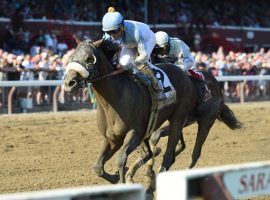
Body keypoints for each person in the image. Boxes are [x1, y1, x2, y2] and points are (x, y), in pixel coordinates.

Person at [102, 7, 166, 100]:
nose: (111, 35)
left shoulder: (135, 32)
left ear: (121, 28)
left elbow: (143, 55)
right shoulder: (110, 32)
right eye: (108, 32)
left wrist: (132, 64)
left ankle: (159, 90)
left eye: (113, 32)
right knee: (123, 63)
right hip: (129, 44)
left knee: (141, 65)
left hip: (147, 40)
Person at [154, 31, 211, 102]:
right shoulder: (154, 46)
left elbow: (181, 63)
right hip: (170, 60)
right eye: (160, 49)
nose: (163, 51)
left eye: (165, 48)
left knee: (180, 69)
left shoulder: (177, 45)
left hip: (186, 59)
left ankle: (199, 78)